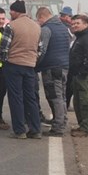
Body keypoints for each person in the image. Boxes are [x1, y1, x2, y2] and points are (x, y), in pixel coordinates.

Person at [0, 0, 43, 139]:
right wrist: (32, 59)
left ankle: (19, 130)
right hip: (30, 66)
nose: (9, 13)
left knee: (16, 98)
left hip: (14, 65)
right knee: (30, 98)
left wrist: (5, 61)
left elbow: (3, 49)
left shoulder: (11, 26)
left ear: (16, 11)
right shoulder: (36, 27)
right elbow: (40, 49)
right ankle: (35, 129)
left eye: (11, 11)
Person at [35, 7, 70, 137]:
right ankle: (61, 120)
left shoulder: (46, 29)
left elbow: (42, 50)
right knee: (62, 96)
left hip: (52, 67)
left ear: (41, 17)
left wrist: (36, 65)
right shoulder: (63, 27)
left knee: (54, 96)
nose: (39, 23)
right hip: (63, 66)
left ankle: (58, 126)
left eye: (39, 20)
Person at [69, 14, 88, 137]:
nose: (74, 25)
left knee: (86, 102)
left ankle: (86, 129)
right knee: (78, 102)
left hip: (86, 75)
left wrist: (82, 72)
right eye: (73, 23)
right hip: (78, 74)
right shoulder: (80, 37)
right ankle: (82, 126)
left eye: (78, 23)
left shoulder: (87, 38)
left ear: (86, 25)